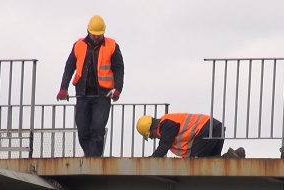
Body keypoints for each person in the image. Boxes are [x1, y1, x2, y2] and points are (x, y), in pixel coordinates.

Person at [56, 15, 124, 157]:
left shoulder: (112, 46)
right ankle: (91, 157)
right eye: (94, 35)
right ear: (88, 31)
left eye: (100, 35)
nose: (97, 37)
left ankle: (93, 160)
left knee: (97, 129)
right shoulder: (79, 45)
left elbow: (119, 69)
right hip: (82, 95)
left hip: (102, 96)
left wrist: (118, 89)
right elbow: (69, 67)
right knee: (83, 130)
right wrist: (63, 88)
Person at [136, 113, 245, 158]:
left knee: (196, 162)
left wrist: (151, 159)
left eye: (151, 136)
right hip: (215, 127)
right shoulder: (168, 122)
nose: (154, 137)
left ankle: (230, 157)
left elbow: (163, 147)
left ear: (152, 129)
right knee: (211, 162)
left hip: (206, 129)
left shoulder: (165, 124)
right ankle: (235, 154)